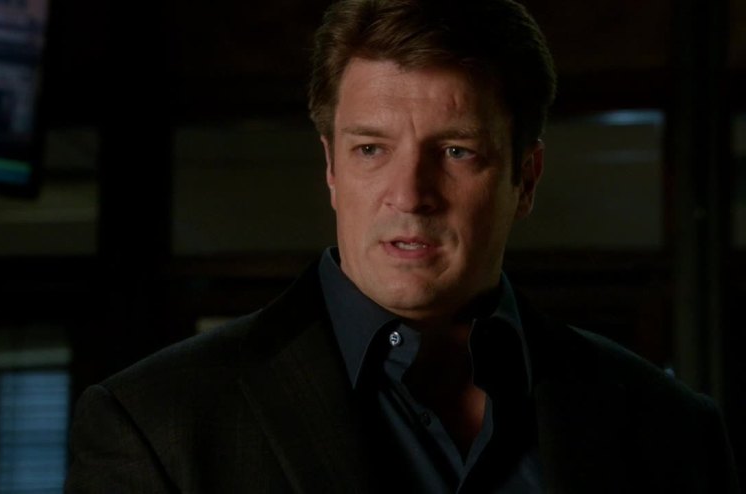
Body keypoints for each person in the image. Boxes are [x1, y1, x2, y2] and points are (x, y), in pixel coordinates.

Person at [65, 0, 740, 492]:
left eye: (456, 151)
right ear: (331, 169)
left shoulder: (671, 430)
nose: (410, 194)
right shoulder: (156, 424)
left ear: (526, 179)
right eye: (371, 149)